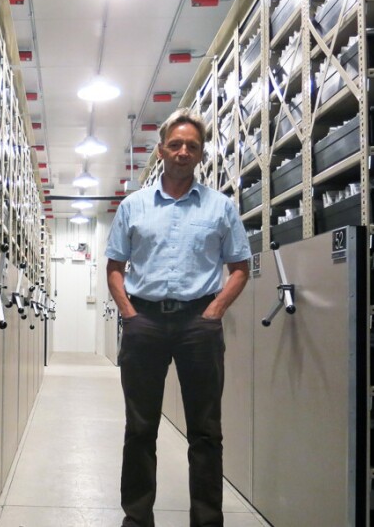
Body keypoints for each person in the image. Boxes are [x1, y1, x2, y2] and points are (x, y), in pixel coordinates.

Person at [104, 108, 251, 527]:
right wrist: (129, 315)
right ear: (161, 150)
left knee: (206, 432)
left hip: (197, 325)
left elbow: (240, 267)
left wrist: (214, 312)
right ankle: (136, 519)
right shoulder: (133, 206)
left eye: (192, 146)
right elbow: (115, 267)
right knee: (140, 428)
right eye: (175, 144)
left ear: (201, 154)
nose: (183, 151)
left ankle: (206, 521)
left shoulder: (220, 207)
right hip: (145, 322)